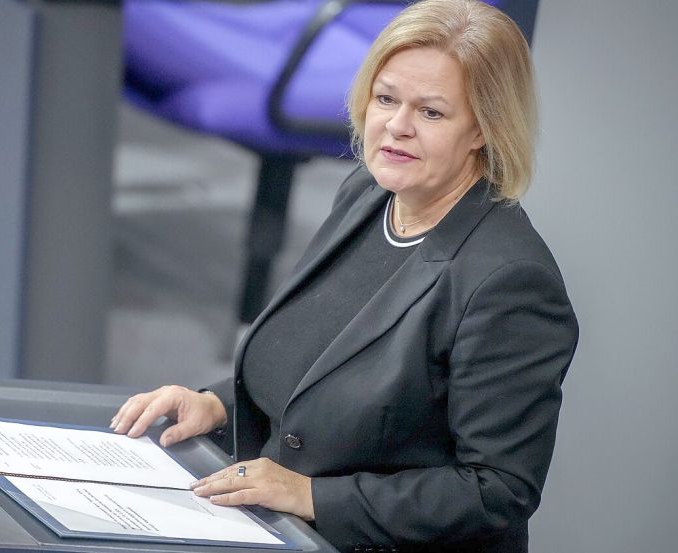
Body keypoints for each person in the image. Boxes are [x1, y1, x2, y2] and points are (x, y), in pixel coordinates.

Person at [111, 0, 579, 551]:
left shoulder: (510, 283)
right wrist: (217, 406)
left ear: (483, 128)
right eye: (386, 99)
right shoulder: (368, 193)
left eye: (431, 112)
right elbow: (316, 369)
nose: (396, 127)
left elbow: (497, 491)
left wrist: (311, 495)